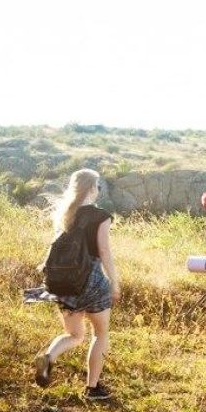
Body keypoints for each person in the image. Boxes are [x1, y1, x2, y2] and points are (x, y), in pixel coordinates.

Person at [31, 169, 120, 400]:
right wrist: (114, 282)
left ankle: (49, 357)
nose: (98, 189)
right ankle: (92, 389)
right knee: (100, 335)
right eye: (97, 186)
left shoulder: (64, 213)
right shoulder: (101, 216)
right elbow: (104, 251)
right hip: (92, 282)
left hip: (64, 284)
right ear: (92, 188)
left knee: (73, 334)